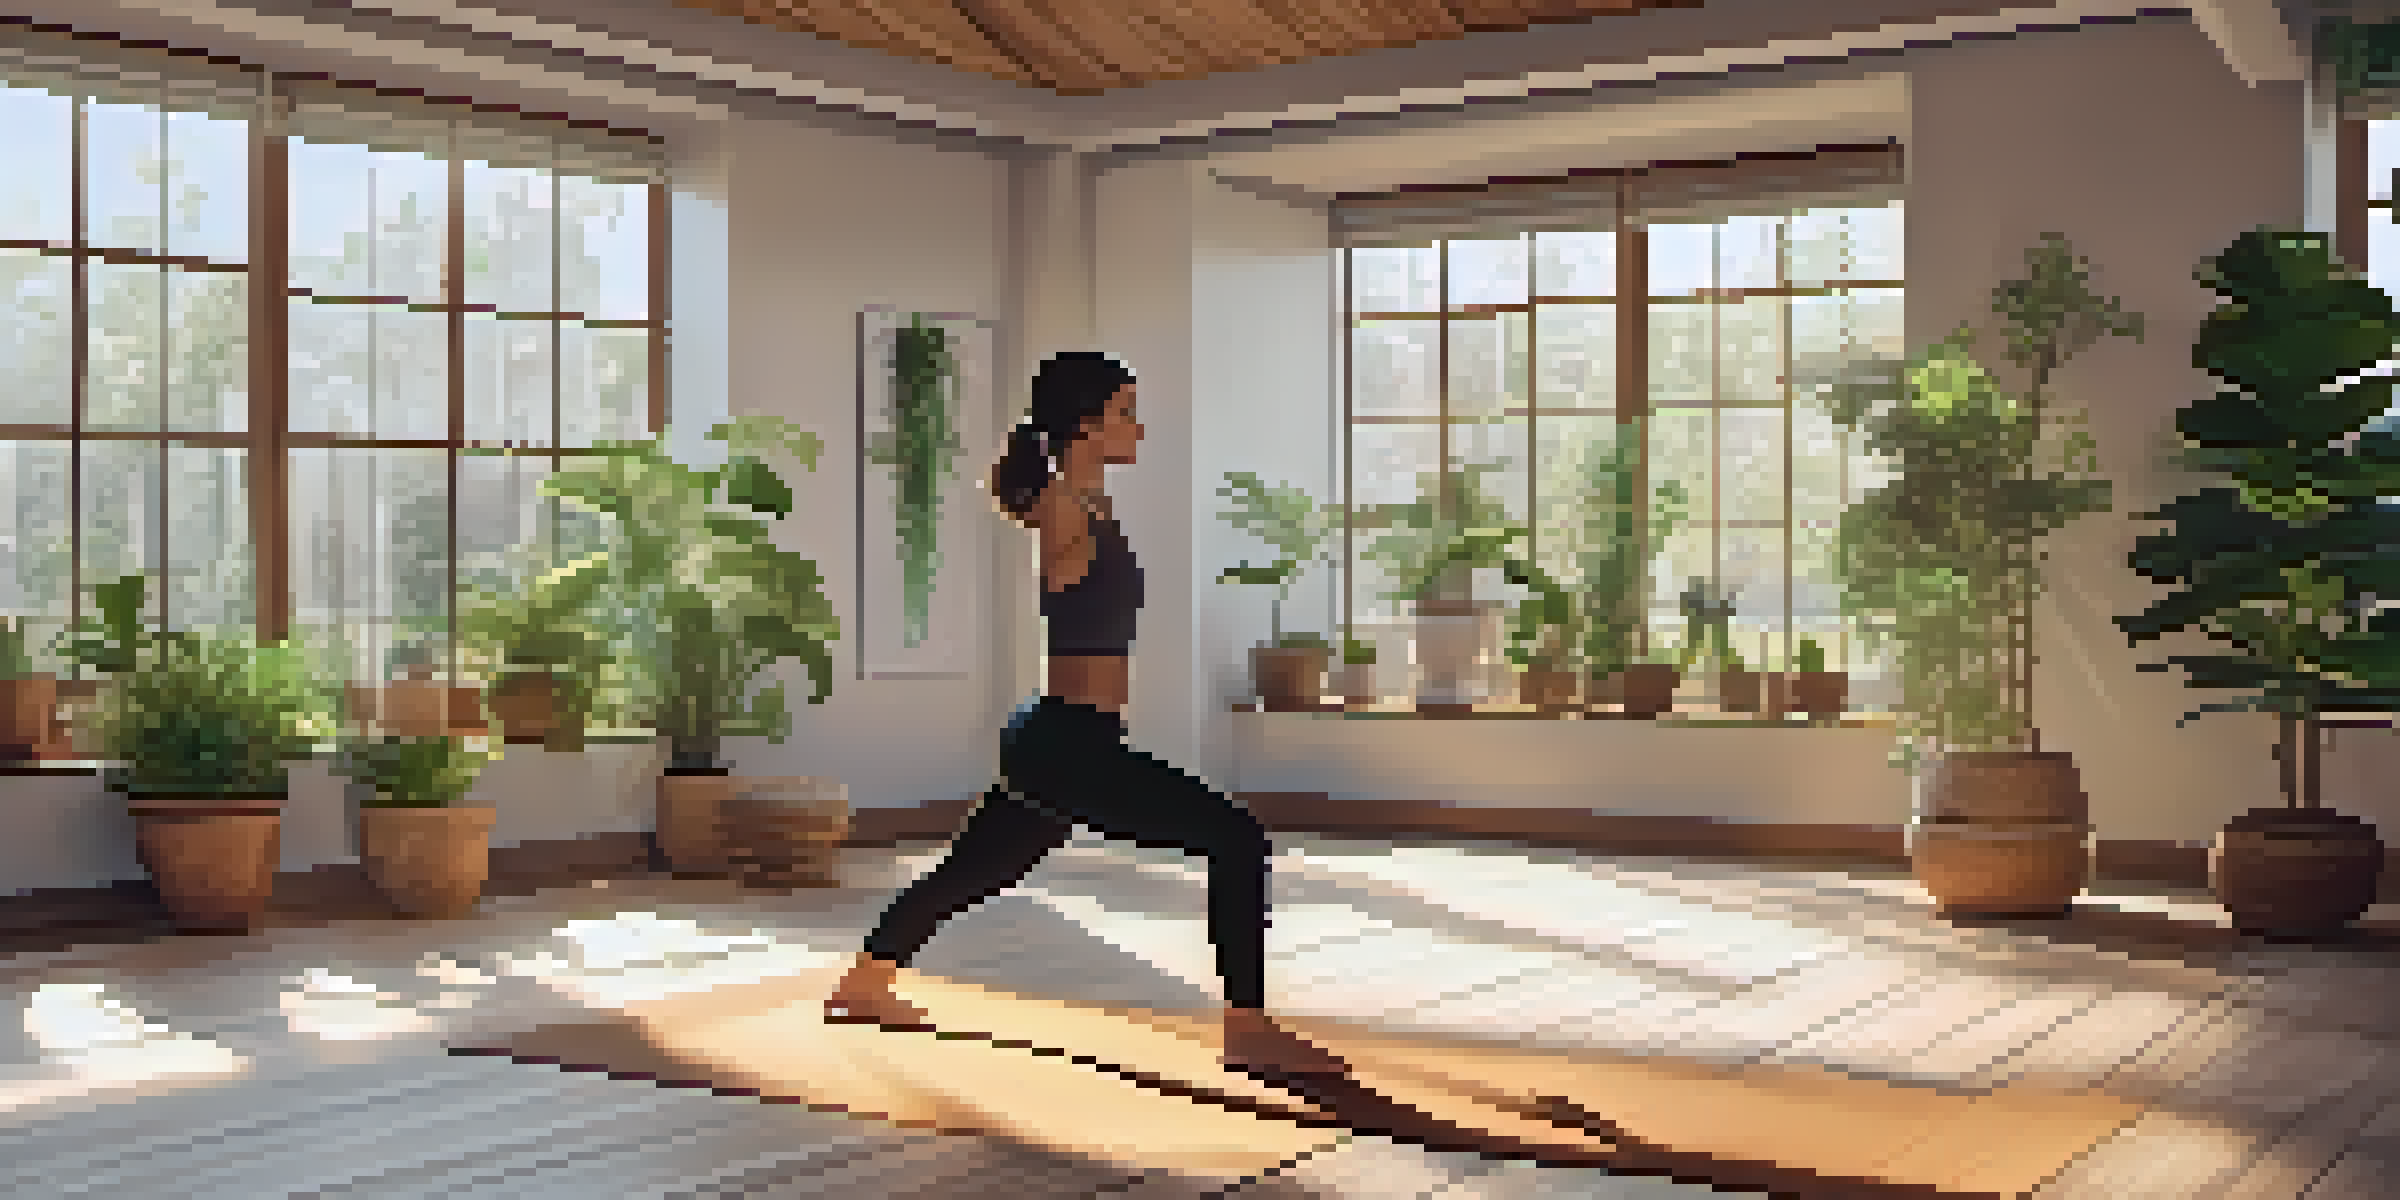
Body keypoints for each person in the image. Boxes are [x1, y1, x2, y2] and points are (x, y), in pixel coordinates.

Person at [823, 350, 1350, 1082]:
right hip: (1069, 743)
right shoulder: (1066, 508)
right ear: (1085, 424)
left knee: (978, 867)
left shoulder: (1091, 504)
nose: (1139, 427)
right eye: (1125, 412)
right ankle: (1247, 1029)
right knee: (1236, 837)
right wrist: (1045, 479)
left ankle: (865, 982)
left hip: (1062, 738)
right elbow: (1043, 512)